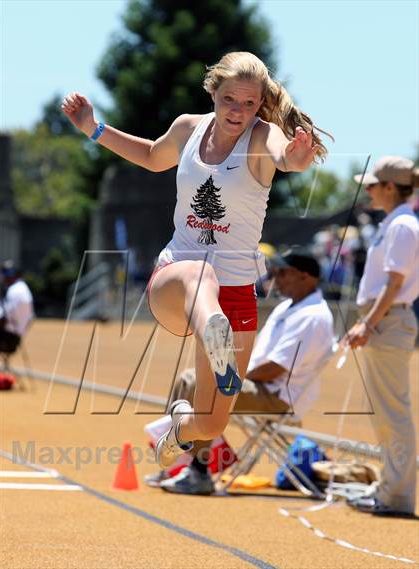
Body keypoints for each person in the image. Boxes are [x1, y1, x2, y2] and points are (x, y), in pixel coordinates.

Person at [62, 51, 330, 471]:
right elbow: (152, 155)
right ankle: (212, 331)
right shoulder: (188, 128)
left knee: (209, 423)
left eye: (248, 103)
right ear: (213, 92)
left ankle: (177, 431)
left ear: (261, 103)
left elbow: (285, 157)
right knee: (201, 273)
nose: (238, 111)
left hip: (236, 295)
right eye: (229, 100)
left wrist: (298, 157)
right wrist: (93, 129)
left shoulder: (262, 137)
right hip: (177, 278)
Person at [148, 250, 334, 495]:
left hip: (276, 396)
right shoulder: (289, 308)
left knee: (198, 383)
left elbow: (275, 368)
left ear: (306, 277)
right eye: (275, 272)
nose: (276, 278)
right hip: (261, 385)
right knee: (191, 378)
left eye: (283, 272)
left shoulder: (313, 316)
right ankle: (183, 455)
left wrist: (234, 373)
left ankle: (197, 470)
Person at [343, 156, 419, 517]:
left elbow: (395, 282)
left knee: (393, 414)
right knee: (388, 414)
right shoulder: (397, 223)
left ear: (390, 187)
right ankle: (390, 489)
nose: (368, 190)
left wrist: (368, 323)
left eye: (373, 185)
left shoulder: (402, 225)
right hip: (387, 321)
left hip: (388, 321)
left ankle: (397, 496)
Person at [0, 261, 34, 355]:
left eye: (6, 274)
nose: (4, 278)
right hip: (16, 337)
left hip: (7, 338)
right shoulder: (23, 288)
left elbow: (2, 319)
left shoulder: (14, 290)